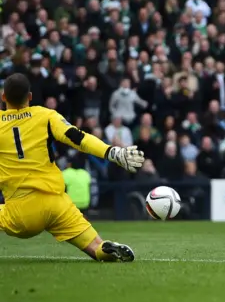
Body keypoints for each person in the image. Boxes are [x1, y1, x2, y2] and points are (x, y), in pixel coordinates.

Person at [0, 73, 145, 261]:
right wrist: (112, 152)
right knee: (94, 246)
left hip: (20, 211)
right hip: (56, 204)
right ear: (29, 97)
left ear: (3, 97)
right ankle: (104, 249)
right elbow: (79, 138)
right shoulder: (45, 115)